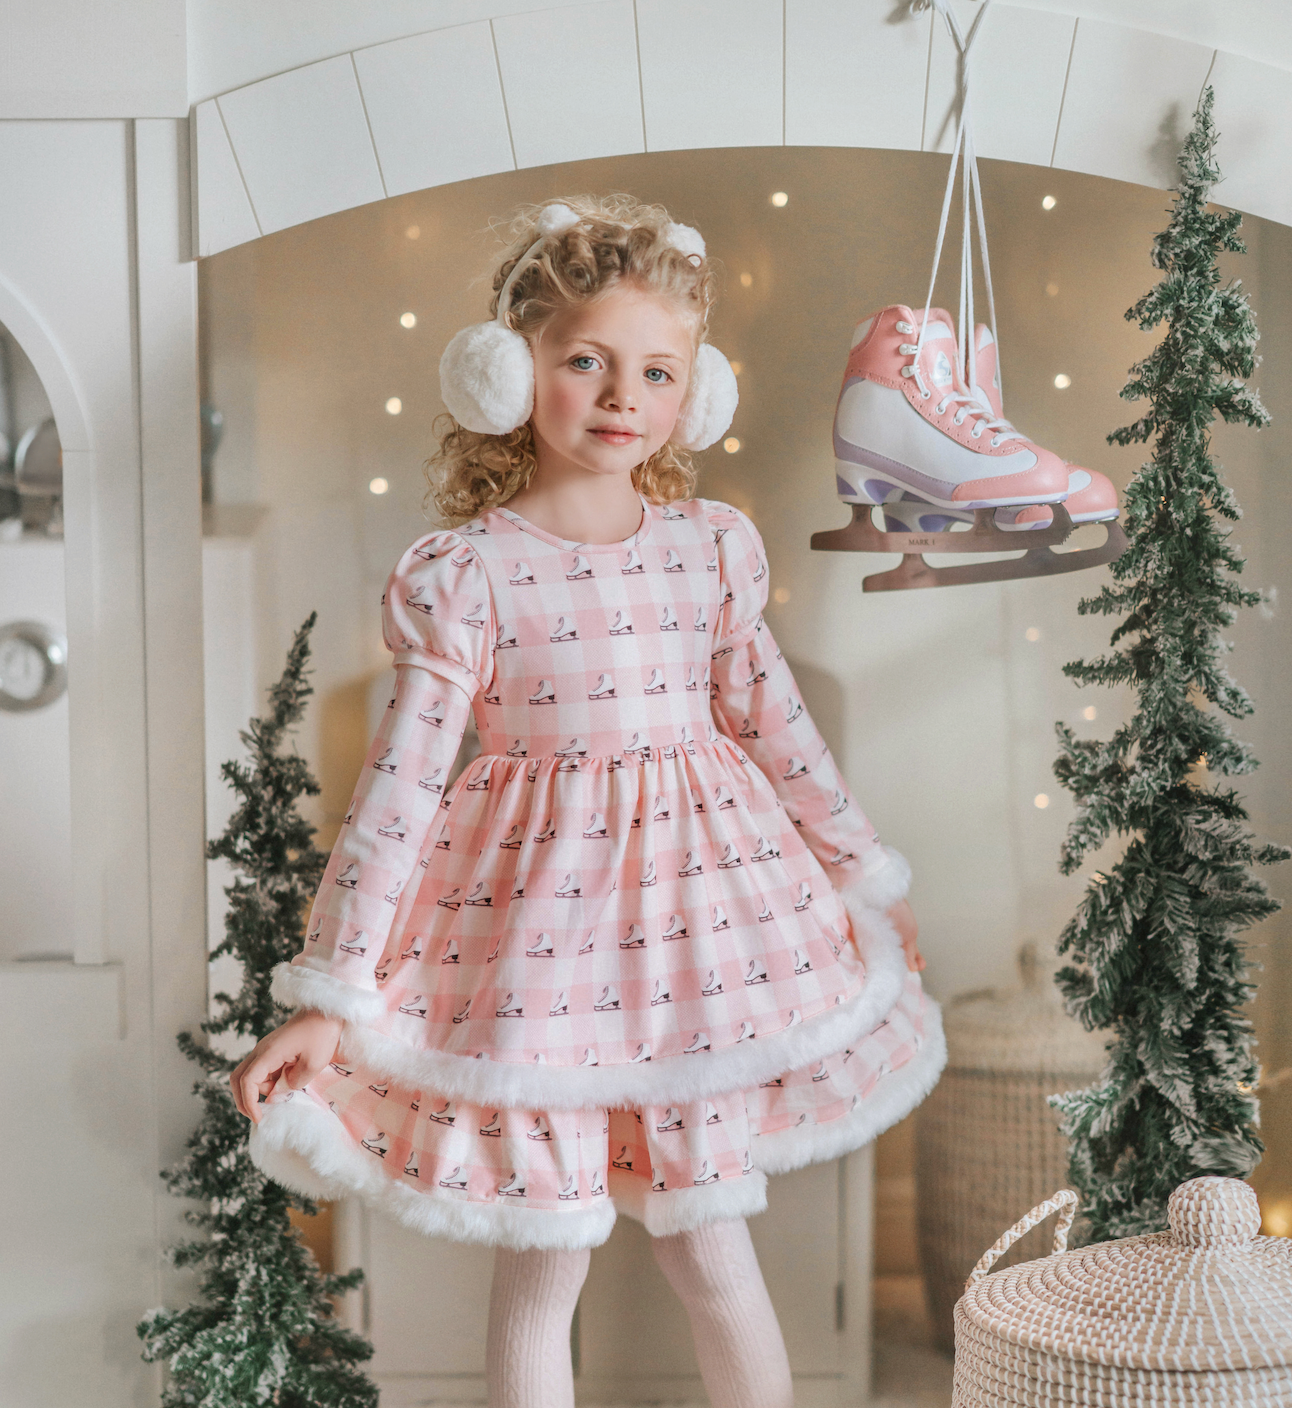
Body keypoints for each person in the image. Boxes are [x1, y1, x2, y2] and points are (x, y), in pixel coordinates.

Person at [230, 193, 944, 1408]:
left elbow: (778, 730)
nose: (623, 395)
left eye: (657, 370)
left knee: (710, 1251)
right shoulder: (467, 575)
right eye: (585, 361)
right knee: (544, 1264)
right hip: (532, 958)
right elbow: (399, 789)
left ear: (694, 393)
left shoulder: (709, 549)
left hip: (705, 948)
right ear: (511, 375)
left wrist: (858, 878)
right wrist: (329, 992)